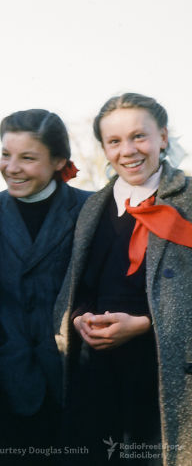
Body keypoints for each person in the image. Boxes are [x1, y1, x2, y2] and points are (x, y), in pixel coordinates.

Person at [54, 93, 192, 466]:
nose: (127, 150)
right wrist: (81, 316)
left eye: (139, 137)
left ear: (163, 136)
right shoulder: (94, 207)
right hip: (98, 378)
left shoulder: (189, 200)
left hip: (164, 380)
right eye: (114, 141)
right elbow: (81, 285)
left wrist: (146, 324)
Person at [0, 109, 91, 458]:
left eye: (27, 158)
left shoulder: (91, 209)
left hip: (75, 380)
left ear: (59, 160)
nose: (12, 167)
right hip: (5, 380)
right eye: (6, 155)